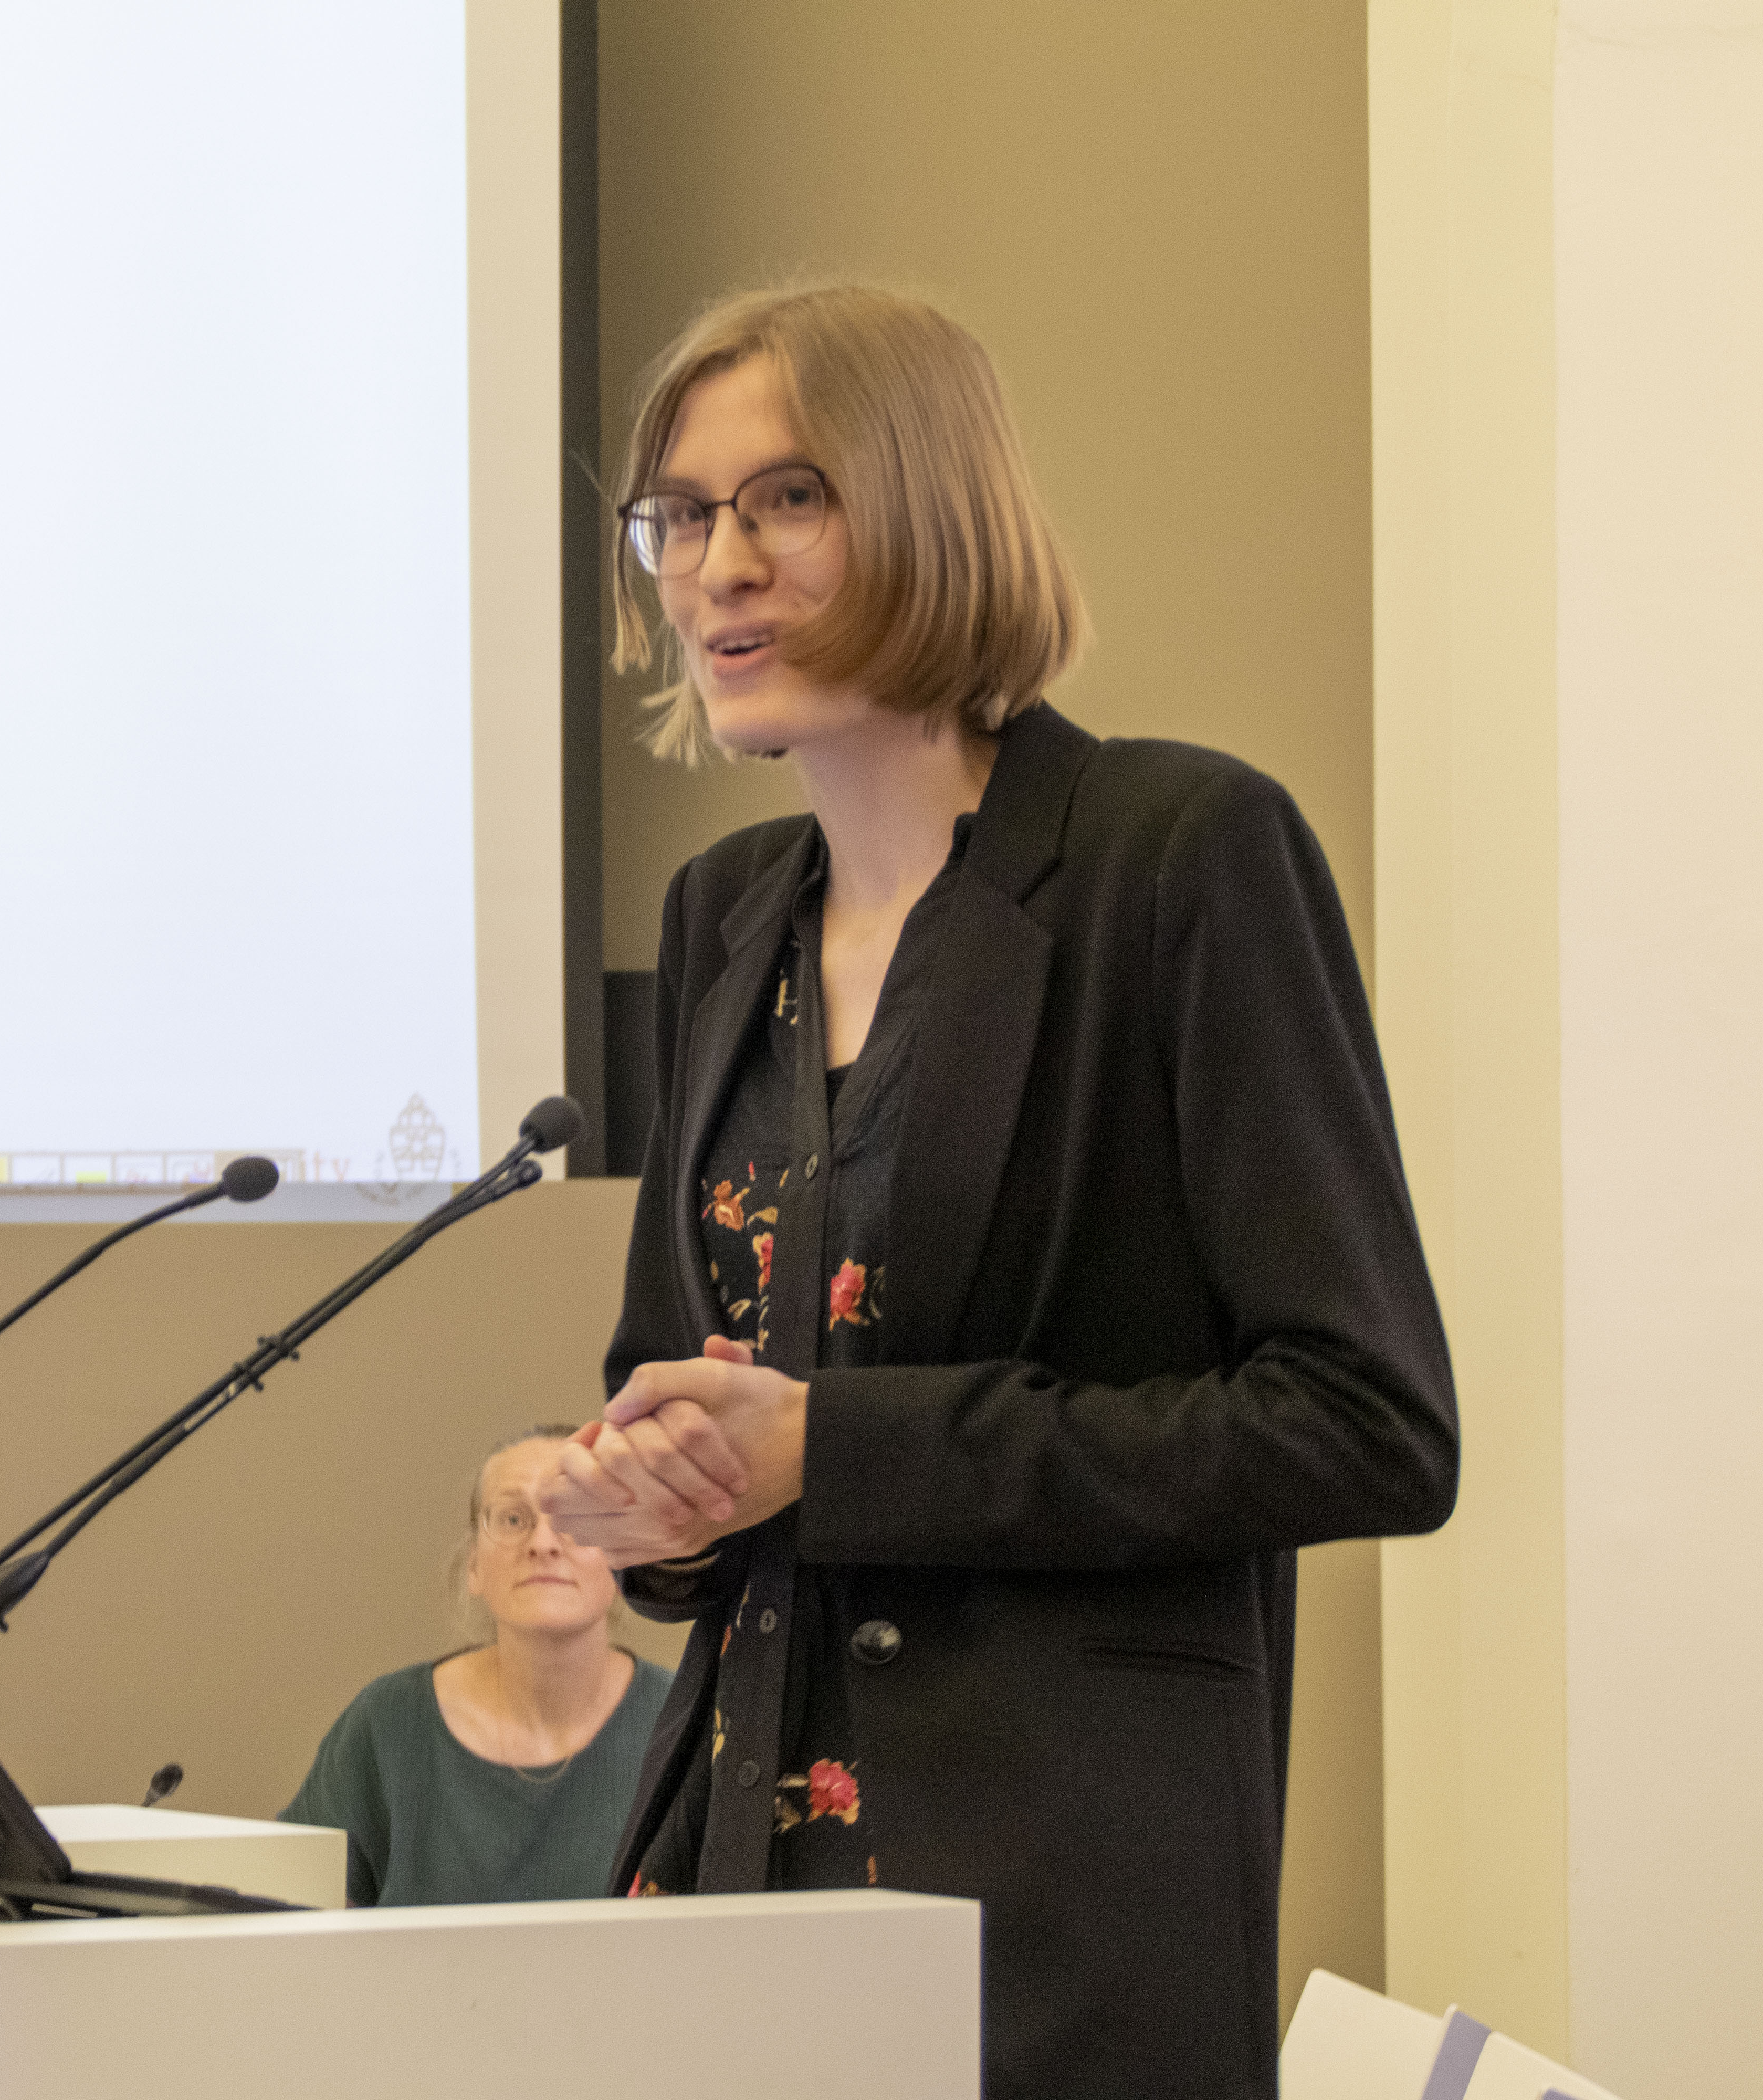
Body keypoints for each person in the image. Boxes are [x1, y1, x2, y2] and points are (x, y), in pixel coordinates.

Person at [538, 282, 1459, 2100]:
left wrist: (838, 1451)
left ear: (933, 506)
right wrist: (652, 1495)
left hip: (1052, 1923)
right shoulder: (724, 916)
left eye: (787, 498)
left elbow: (1365, 1424)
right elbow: (685, 1380)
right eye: (682, 516)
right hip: (733, 1884)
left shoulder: (1173, 859)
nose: (719, 567)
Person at [280, 1428, 673, 1908]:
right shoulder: (387, 1724)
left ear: (623, 1556)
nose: (543, 1543)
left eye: (573, 1517)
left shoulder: (685, 1721)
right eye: (513, 1518)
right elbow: (282, 1912)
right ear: (474, 1567)